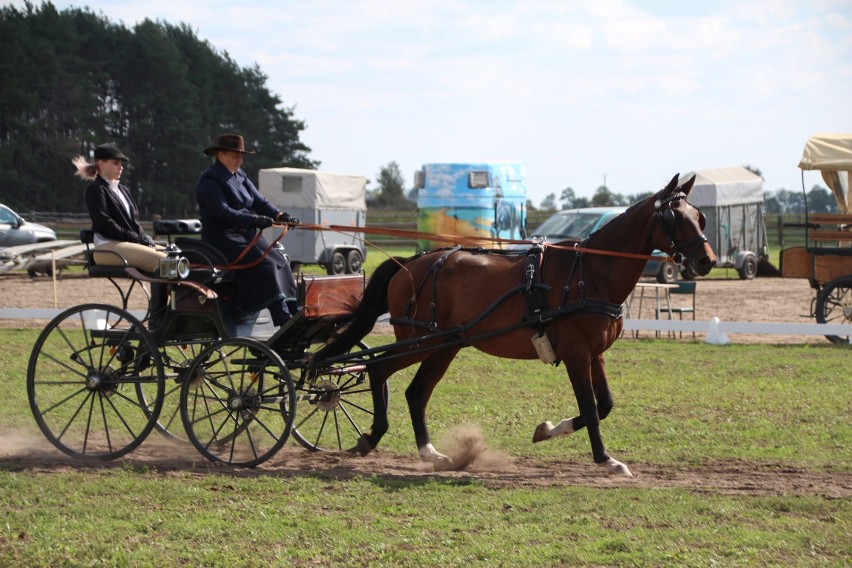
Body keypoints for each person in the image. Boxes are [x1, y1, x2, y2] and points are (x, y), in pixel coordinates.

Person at [195, 133, 299, 326]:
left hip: (244, 233)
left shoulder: (240, 176)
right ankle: (282, 317)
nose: (240, 160)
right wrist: (252, 220)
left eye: (241, 156)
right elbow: (222, 212)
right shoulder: (209, 180)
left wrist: (280, 216)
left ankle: (294, 311)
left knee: (281, 261)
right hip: (221, 238)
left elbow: (260, 202)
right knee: (264, 264)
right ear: (220, 154)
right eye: (236, 156)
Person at [74, 143, 166, 273]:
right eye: (116, 163)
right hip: (107, 247)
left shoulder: (123, 189)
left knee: (176, 257)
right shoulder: (96, 190)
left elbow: (134, 222)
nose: (121, 167)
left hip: (128, 244)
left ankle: (168, 292)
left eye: (121, 164)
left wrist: (143, 237)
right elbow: (104, 223)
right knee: (165, 262)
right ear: (101, 164)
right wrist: (135, 238)